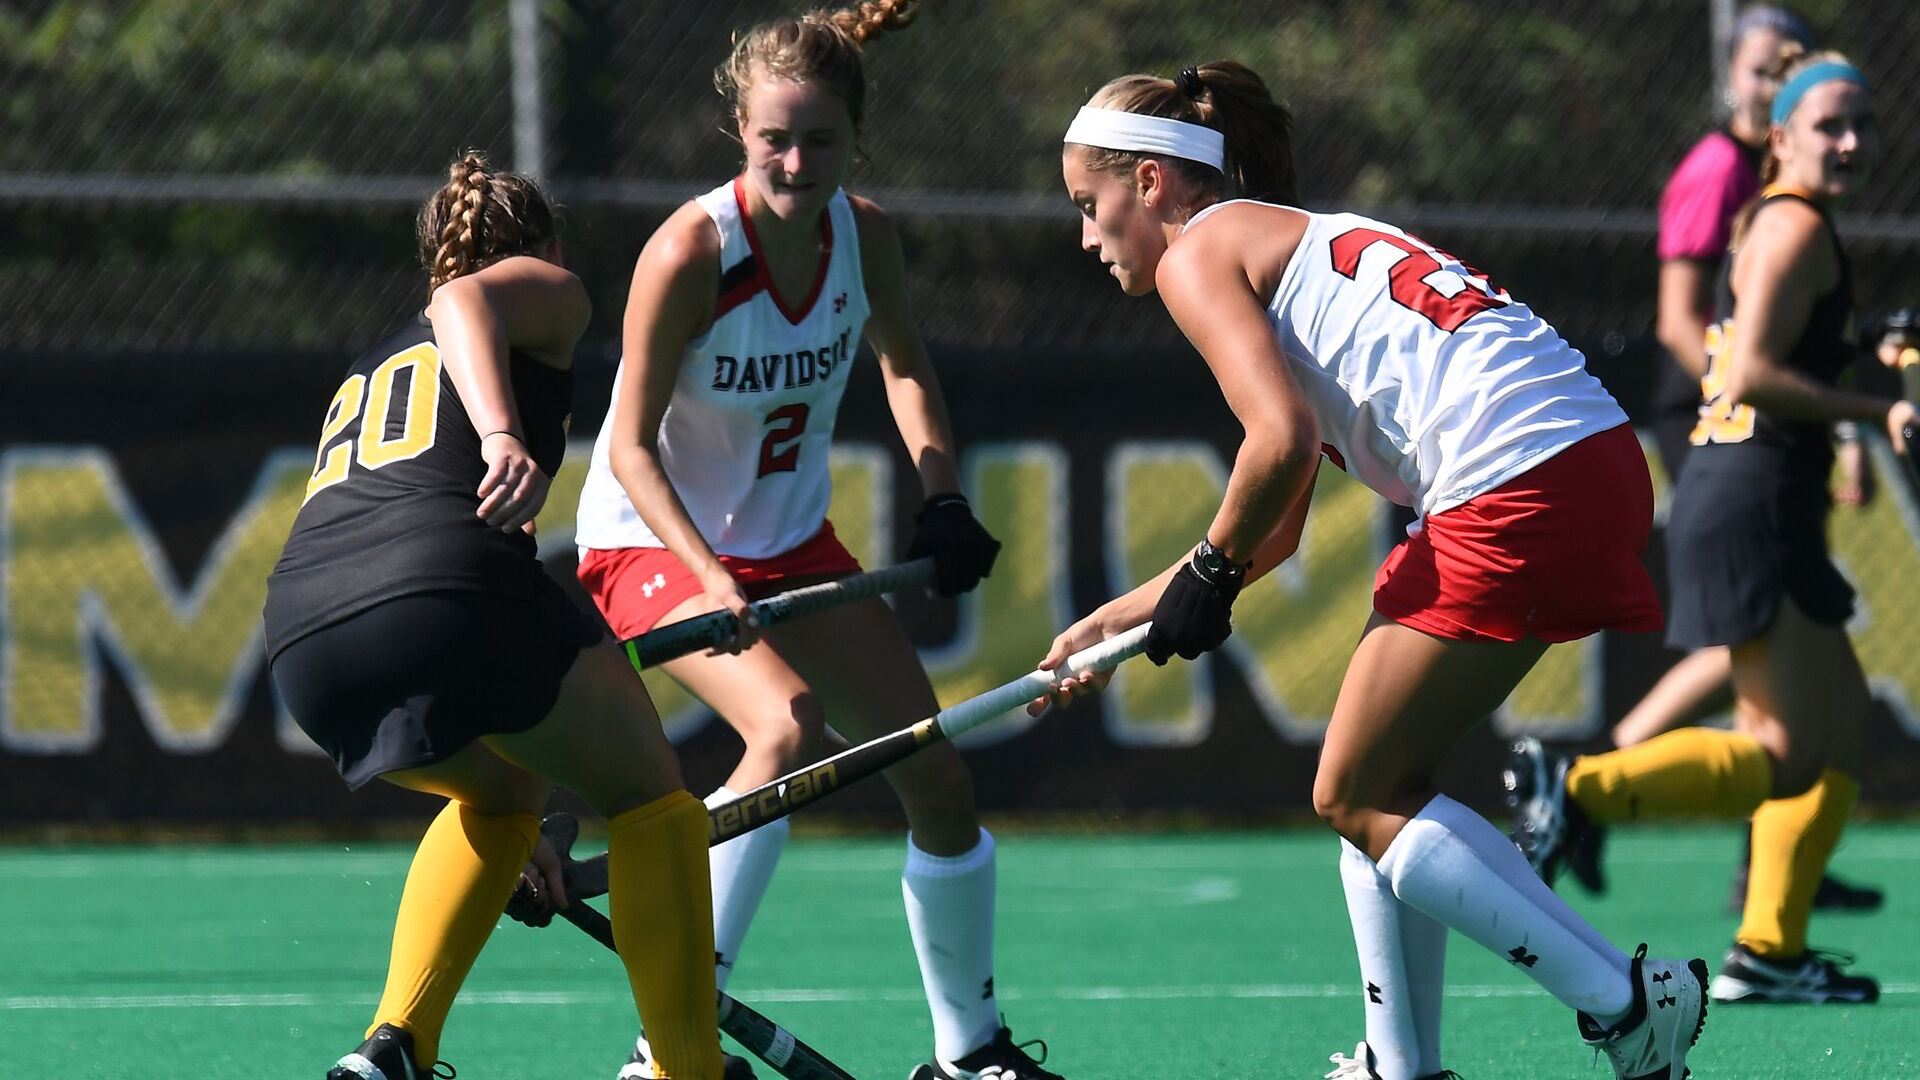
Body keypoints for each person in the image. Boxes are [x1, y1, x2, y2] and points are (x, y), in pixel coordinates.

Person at [1034, 61, 1705, 1080]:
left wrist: (1207, 573)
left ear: (1152, 184)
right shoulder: (1283, 235)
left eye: (1091, 205)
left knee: (1351, 789)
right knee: (1380, 782)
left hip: (1513, 478)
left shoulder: (1197, 253)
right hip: (1591, 458)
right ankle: (1403, 1064)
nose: (1088, 238)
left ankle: (1625, 1002)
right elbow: (1280, 527)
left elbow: (1279, 443)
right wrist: (1117, 625)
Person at [568, 5, 1056, 1079]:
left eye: (821, 141)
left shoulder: (863, 236)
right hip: (649, 543)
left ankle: (971, 1053)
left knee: (938, 785)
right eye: (774, 141)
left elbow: (906, 362)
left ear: (855, 140)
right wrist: (708, 579)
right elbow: (631, 448)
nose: (796, 162)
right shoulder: (692, 251)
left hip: (791, 547)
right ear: (739, 133)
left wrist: (942, 500)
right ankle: (672, 1049)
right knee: (784, 727)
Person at [264, 152, 723, 1080]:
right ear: (544, 248)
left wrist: (539, 831)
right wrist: (507, 433)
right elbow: (465, 302)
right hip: (445, 587)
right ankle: (686, 1068)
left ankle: (395, 1045)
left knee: (508, 793)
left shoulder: (372, 358)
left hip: (305, 636)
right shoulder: (543, 290)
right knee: (648, 795)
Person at [1508, 47, 1901, 1006]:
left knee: (1838, 729)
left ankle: (1771, 950)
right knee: (1785, 753)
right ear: (1780, 138)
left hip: (1751, 492)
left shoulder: (1781, 222)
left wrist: (1863, 365)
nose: (1849, 143)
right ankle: (1581, 789)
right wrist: (1875, 408)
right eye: (1828, 127)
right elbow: (1752, 374)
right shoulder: (1797, 225)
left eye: (1862, 127)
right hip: (1756, 495)